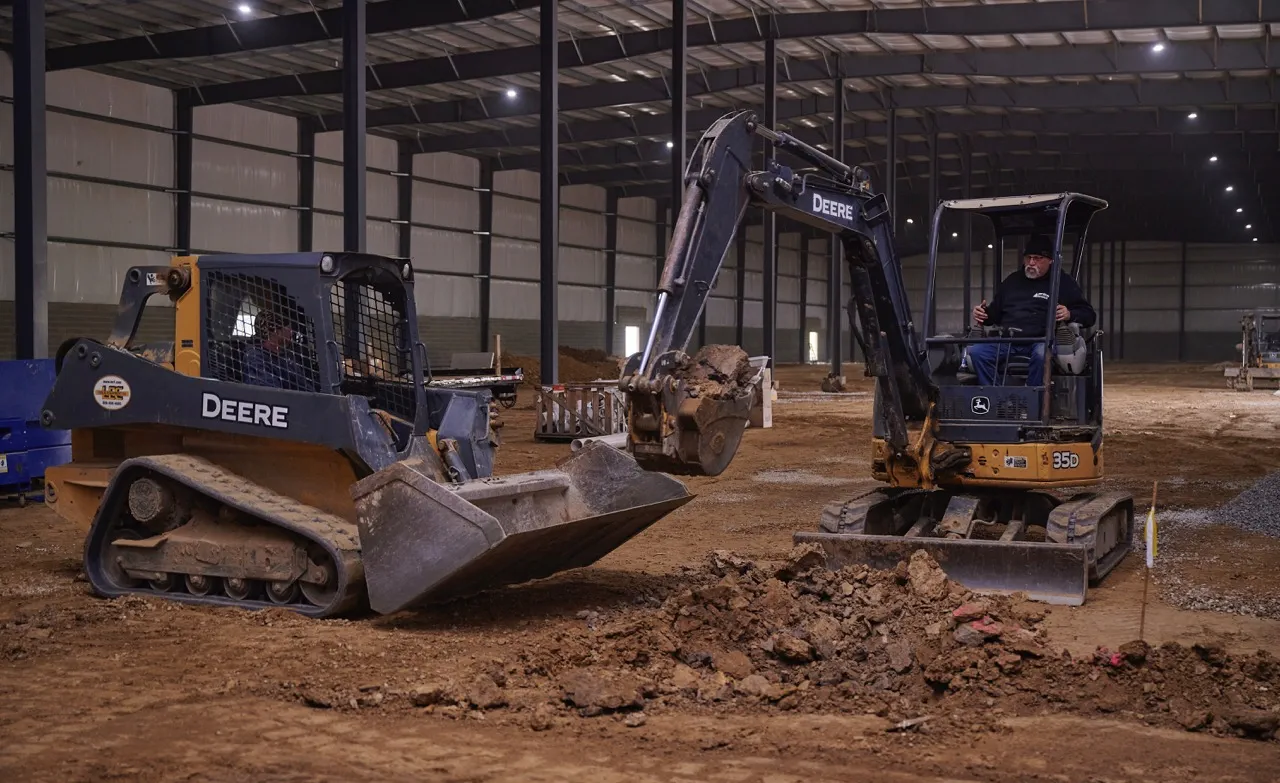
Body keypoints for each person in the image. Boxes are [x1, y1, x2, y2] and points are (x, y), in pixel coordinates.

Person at [968, 234, 1095, 387]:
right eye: (1028, 257)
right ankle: (997, 397)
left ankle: (1033, 399)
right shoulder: (1012, 281)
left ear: (1050, 260)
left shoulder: (1063, 282)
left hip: (1041, 340)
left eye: (1037, 258)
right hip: (1009, 340)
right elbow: (995, 314)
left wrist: (1069, 314)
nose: (1031, 262)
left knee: (1042, 355)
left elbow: (1089, 315)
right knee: (977, 353)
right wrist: (984, 314)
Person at [242, 309, 316, 391]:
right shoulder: (256, 358)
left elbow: (306, 388)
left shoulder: (286, 356)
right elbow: (270, 394)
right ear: (277, 332)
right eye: (289, 328)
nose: (291, 332)